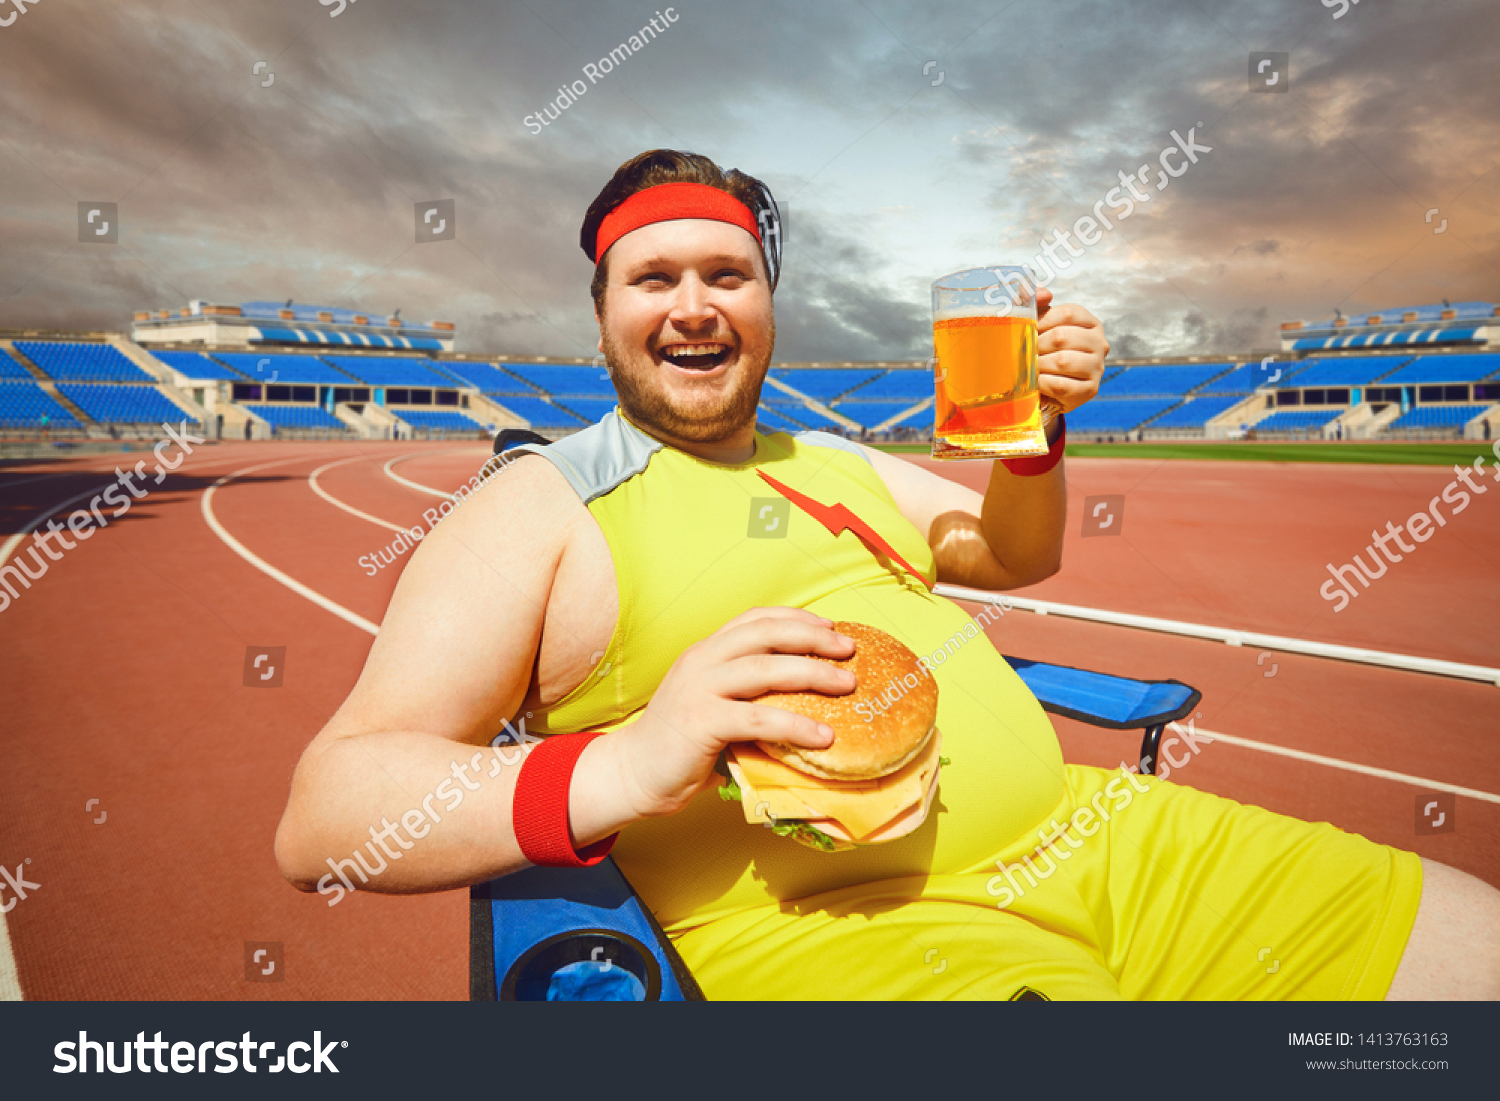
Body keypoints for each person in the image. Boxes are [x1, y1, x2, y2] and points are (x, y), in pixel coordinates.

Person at [275, 149, 1500, 1000]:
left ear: (767, 304)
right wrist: (628, 761)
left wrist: (1036, 434)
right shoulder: (537, 509)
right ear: (603, 314)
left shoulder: (841, 462)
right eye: (655, 279)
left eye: (729, 275)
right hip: (861, 939)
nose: (695, 306)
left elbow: (1014, 552)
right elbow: (328, 813)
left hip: (1113, 841)